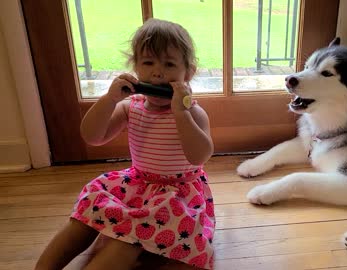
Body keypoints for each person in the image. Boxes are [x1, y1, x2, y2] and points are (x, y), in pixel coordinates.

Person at [35, 18, 215, 270]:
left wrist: (181, 114)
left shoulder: (193, 113)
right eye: (148, 62)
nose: (158, 72)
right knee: (84, 217)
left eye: (169, 64)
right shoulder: (131, 107)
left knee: (126, 244)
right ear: (136, 68)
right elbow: (93, 136)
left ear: (189, 73)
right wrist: (109, 100)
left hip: (177, 196)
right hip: (136, 185)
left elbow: (199, 156)